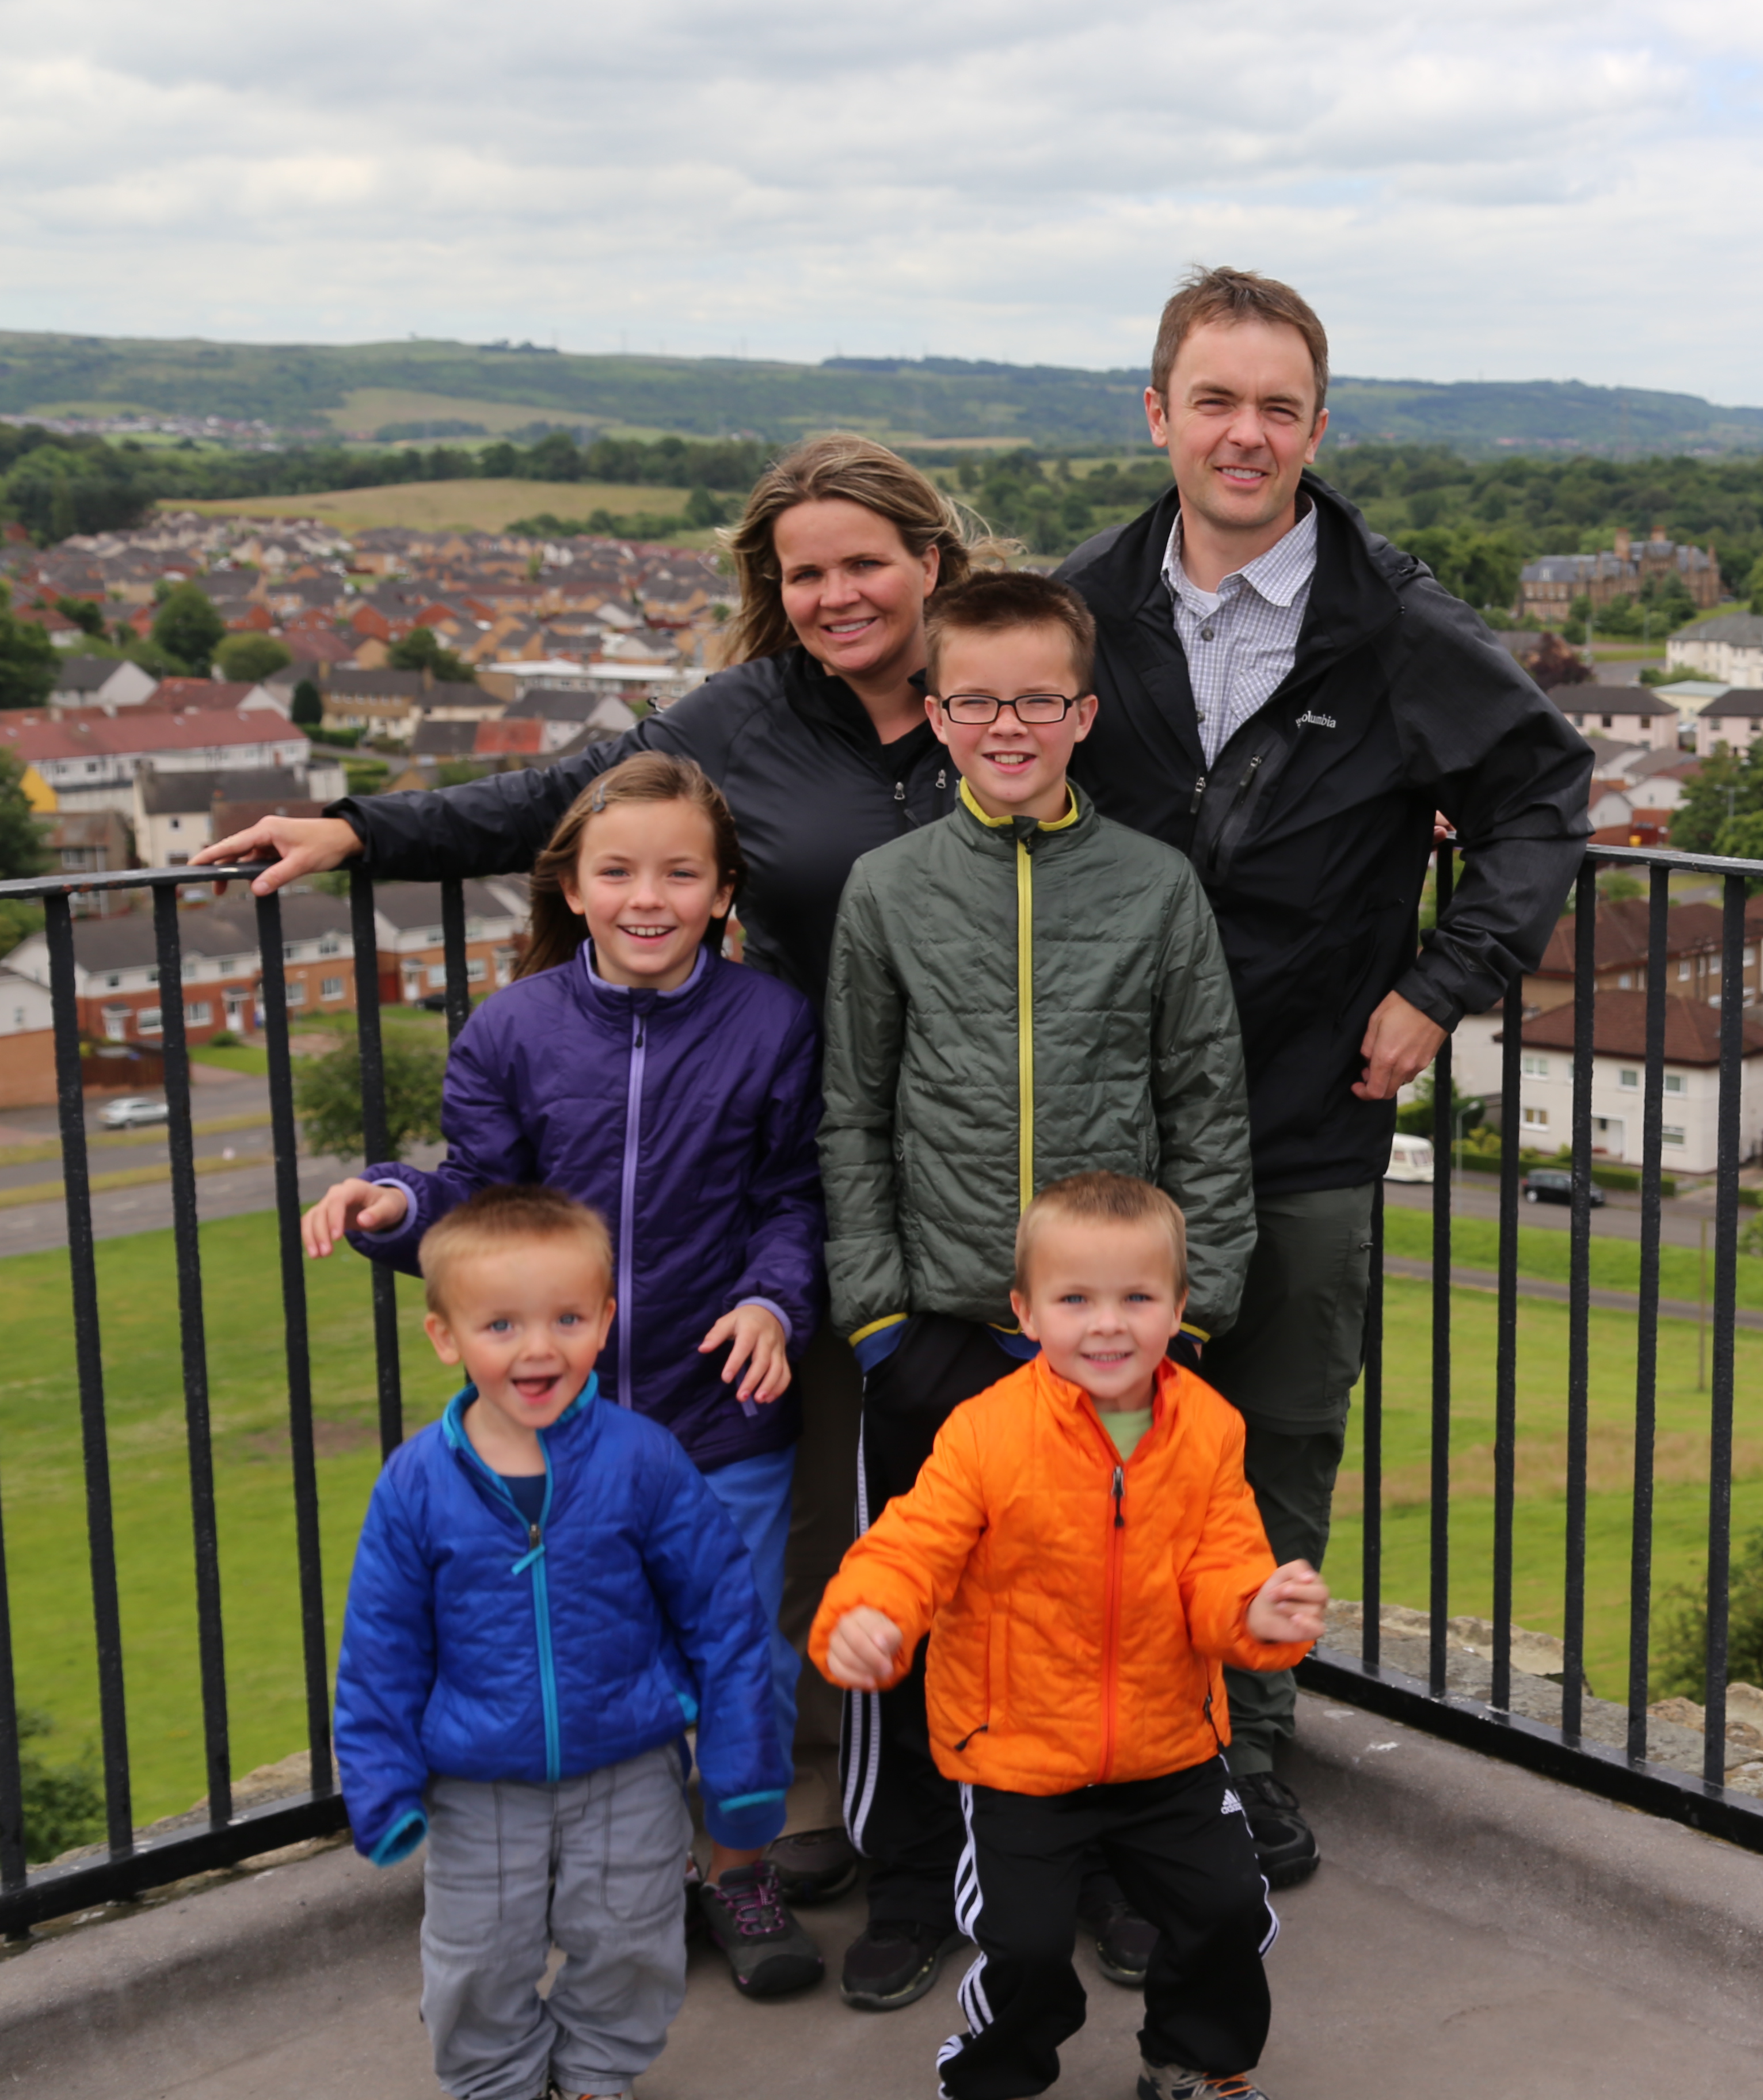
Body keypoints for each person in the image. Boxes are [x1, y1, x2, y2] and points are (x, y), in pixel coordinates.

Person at [200, 434, 1008, 1920]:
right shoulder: (741, 722)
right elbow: (570, 800)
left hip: (983, 1164)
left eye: (862, 563)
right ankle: (794, 1828)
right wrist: (361, 831)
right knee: (827, 1516)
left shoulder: (1002, 697)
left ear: (931, 561)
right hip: (805, 1166)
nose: (835, 594)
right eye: (802, 570)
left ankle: (987, 1824)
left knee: (963, 1509)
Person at [1056, 267, 1591, 1916]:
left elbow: (1540, 798)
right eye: (1213, 400)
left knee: (1277, 1444)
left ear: (1318, 427)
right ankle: (1091, 1765)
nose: (1246, 433)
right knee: (1091, 1452)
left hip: (1305, 1106)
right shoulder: (1080, 612)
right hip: (1109, 1124)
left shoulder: (1395, 627)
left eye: (1278, 406)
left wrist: (1439, 988)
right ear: (1157, 416)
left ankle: (1237, 1757)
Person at [303, 751, 828, 1998]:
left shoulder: (772, 1023)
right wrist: (396, 1203)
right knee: (592, 1663)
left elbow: (792, 1201)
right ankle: (622, 1894)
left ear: (722, 890)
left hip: (722, 1421)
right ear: (575, 887)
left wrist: (772, 1300)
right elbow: (482, 1199)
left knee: (737, 1656)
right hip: (561, 1434)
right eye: (619, 872)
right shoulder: (513, 1029)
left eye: (679, 873)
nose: (649, 898)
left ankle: (739, 1872)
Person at [819, 566, 1256, 2014]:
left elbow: (1205, 1104)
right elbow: (853, 1110)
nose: (1010, 725)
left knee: (1111, 1615)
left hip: (1115, 1344)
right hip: (939, 1324)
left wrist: (1187, 1316)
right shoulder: (888, 891)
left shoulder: (1153, 884)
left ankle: (1116, 1871)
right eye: (978, 700)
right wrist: (879, 1316)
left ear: (1083, 711)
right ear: (934, 713)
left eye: (1040, 700)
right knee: (924, 1605)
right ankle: (907, 1877)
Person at [815, 1172, 1327, 2100]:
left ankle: (1194, 2059)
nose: (1108, 1325)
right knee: (1026, 1947)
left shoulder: (1208, 1429)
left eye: (1138, 1298)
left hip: (1170, 1745)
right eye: (1075, 1299)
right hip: (1016, 1756)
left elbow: (1225, 1566)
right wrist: (870, 1616)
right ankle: (991, 2080)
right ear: (1025, 1312)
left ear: (1179, 1308)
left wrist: (1253, 1616)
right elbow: (911, 1544)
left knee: (1226, 1910)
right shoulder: (984, 1433)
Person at [336, 1184, 790, 2100]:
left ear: (604, 1321)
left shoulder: (645, 1458)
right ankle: (498, 2082)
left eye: (567, 1319)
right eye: (500, 1326)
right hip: (477, 1779)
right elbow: (380, 1645)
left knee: (634, 1941)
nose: (539, 1349)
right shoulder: (416, 1482)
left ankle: (593, 2076)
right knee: (475, 1961)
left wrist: (743, 1768)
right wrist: (380, 1784)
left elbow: (724, 1618)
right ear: (445, 1337)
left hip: (627, 1762)